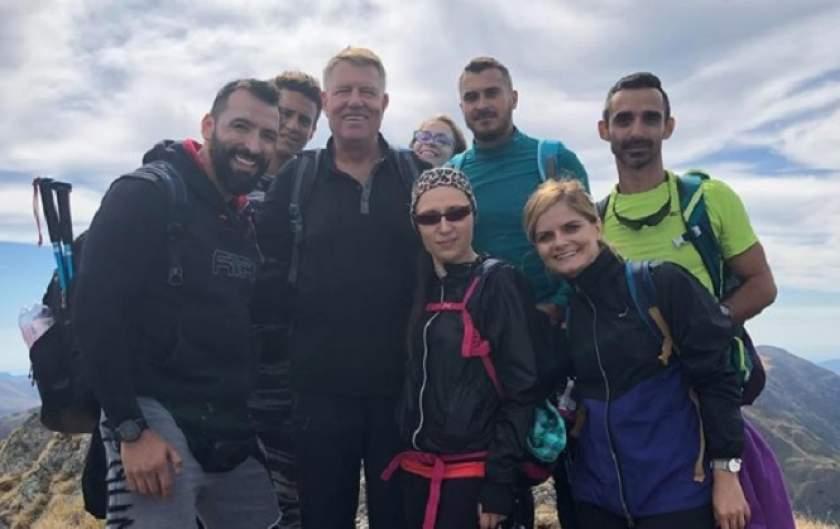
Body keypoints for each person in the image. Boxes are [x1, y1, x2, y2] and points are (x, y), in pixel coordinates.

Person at [73, 79, 282, 529]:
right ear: (208, 125)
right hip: (153, 414)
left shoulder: (244, 217)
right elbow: (93, 312)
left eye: (268, 135)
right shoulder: (145, 194)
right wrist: (130, 429)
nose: (253, 145)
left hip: (227, 419)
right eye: (241, 127)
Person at [596, 72, 794, 529]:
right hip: (637, 411)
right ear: (604, 130)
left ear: (668, 126)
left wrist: (704, 326)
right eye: (624, 120)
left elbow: (761, 284)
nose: (637, 130)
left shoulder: (709, 199)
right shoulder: (596, 220)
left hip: (702, 401)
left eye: (650, 118)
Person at [256, 46, 430, 529]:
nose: (356, 101)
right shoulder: (295, 179)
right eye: (344, 91)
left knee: (399, 519)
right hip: (317, 395)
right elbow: (266, 283)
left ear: (384, 103)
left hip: (403, 394)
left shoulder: (416, 176)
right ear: (326, 103)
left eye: (367, 92)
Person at [524, 178, 750, 529]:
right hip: (596, 502)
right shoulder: (567, 317)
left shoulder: (661, 285)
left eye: (571, 227)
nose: (560, 242)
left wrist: (726, 473)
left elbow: (718, 379)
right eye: (545, 236)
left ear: (596, 225)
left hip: (678, 497)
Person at [451, 55, 588, 528]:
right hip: (486, 349)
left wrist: (559, 307)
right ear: (462, 107)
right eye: (472, 97)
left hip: (556, 342)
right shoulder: (456, 171)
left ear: (513, 98)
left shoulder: (551, 158)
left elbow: (587, 239)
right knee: (501, 465)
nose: (482, 104)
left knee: (573, 468)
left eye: (492, 93)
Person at [383, 167, 541, 529]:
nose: (444, 227)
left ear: (474, 215)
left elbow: (522, 389)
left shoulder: (499, 282)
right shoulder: (417, 289)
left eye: (456, 213)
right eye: (429, 218)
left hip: (477, 481)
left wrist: (500, 483)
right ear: (416, 225)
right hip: (418, 476)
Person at [249, 68, 321, 529]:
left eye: (304, 120)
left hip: (291, 381)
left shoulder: (312, 189)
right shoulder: (228, 184)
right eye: (285, 114)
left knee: (289, 507)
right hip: (226, 375)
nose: (293, 126)